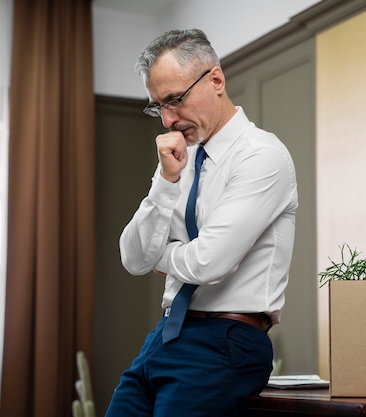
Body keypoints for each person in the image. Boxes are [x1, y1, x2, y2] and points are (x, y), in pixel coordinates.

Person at [104, 29, 298, 417]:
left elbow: (208, 262)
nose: (169, 119)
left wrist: (163, 256)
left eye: (175, 99)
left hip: (225, 341)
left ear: (216, 80)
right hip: (164, 337)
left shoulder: (262, 157)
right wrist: (166, 180)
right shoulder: (182, 158)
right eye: (157, 106)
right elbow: (132, 256)